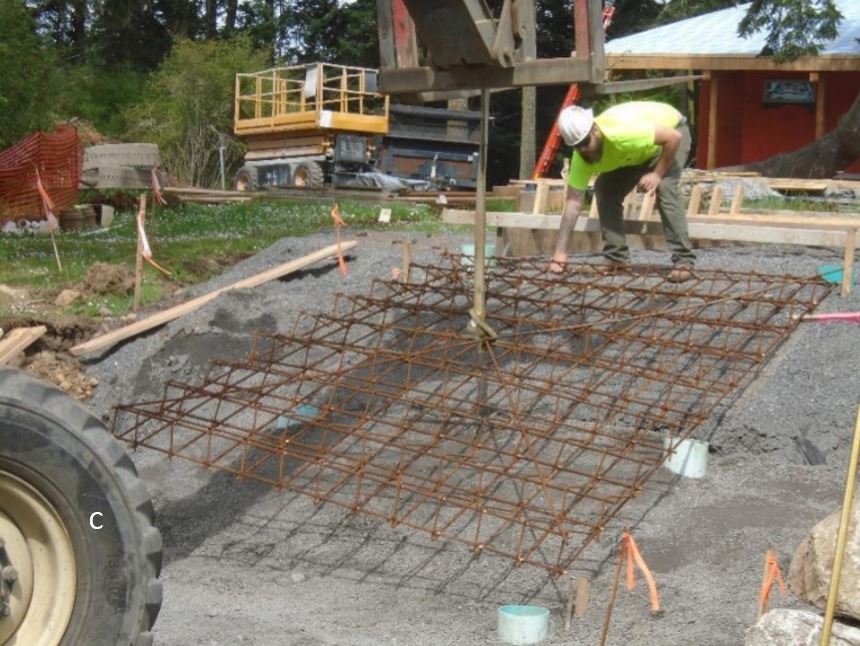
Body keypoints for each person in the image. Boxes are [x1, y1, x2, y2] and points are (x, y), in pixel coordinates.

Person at [548, 100, 696, 282]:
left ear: (595, 130)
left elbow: (673, 137)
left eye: (585, 142)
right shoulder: (581, 158)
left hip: (671, 133)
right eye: (576, 146)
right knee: (605, 188)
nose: (583, 149)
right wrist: (560, 253)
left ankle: (684, 261)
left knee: (665, 187)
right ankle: (616, 258)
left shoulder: (622, 133)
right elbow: (573, 203)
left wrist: (657, 174)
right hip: (638, 152)